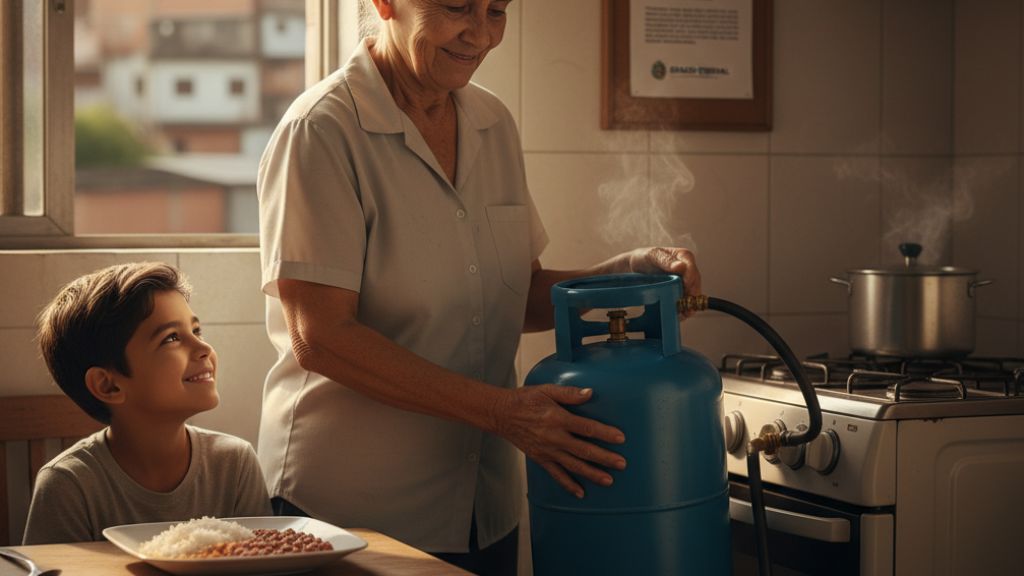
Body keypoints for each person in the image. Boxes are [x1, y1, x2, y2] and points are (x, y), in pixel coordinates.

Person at [255, 0, 701, 574]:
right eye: (457, 7)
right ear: (385, 5)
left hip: (482, 505)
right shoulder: (321, 129)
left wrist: (628, 274)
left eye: (496, 10)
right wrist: (503, 413)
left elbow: (511, 295)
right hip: (352, 513)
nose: (480, 34)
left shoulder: (491, 122)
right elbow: (320, 337)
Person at [22, 262, 272, 545]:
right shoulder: (69, 484)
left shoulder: (235, 462)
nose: (204, 350)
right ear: (109, 385)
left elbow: (262, 562)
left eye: (197, 331)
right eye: (172, 338)